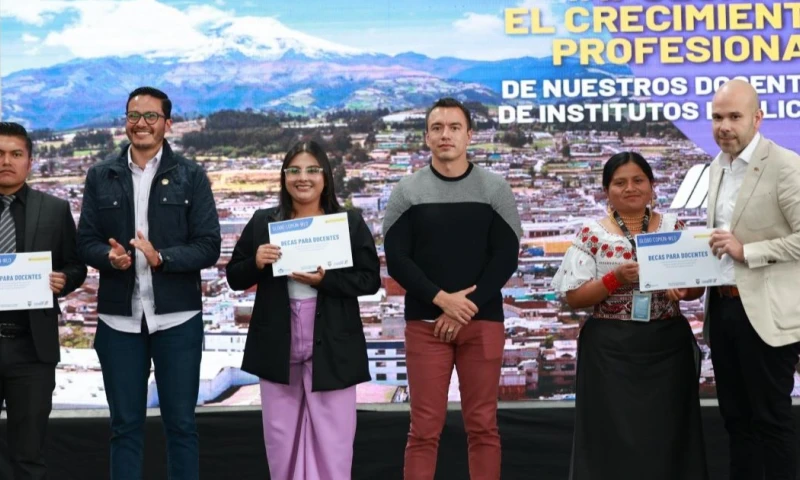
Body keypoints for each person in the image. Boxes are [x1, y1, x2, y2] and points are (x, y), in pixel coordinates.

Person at [77, 87, 220, 480]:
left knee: (182, 426)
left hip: (177, 320)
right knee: (124, 428)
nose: (141, 123)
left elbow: (209, 246)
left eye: (150, 116)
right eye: (133, 116)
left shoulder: (191, 176)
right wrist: (108, 257)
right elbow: (84, 241)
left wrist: (163, 259)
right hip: (119, 322)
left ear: (167, 124)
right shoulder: (100, 175)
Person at [383, 97, 522, 480]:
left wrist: (467, 306)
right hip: (426, 324)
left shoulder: (495, 189)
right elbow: (397, 260)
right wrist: (442, 300)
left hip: (483, 322)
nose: (446, 135)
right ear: (426, 136)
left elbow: (505, 258)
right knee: (424, 429)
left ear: (469, 135)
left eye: (454, 127)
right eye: (438, 128)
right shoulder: (406, 192)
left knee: (483, 426)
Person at [226, 140, 379, 480]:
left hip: (333, 338)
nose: (302, 178)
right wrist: (256, 262)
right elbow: (234, 276)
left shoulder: (348, 222)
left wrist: (327, 281)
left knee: (334, 438)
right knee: (280, 439)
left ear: (326, 176)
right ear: (283, 177)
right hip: (277, 337)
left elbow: (370, 280)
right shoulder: (263, 220)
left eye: (312, 170)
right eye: (294, 170)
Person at [551, 152, 708, 479]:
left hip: (666, 348)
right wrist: (615, 279)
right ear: (606, 191)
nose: (630, 188)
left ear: (652, 186)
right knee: (610, 438)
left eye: (638, 180)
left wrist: (682, 287)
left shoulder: (673, 227)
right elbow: (575, 297)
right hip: (611, 351)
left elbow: (697, 289)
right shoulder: (591, 234)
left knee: (670, 434)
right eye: (619, 183)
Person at [704, 79, 800, 480]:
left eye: (734, 117)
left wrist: (749, 252)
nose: (724, 126)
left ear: (758, 119)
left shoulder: (785, 165)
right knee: (736, 421)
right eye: (717, 117)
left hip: (766, 316)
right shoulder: (716, 167)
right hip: (724, 310)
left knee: (770, 422)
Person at [0, 122, 86, 480]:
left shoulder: (54, 209)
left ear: (30, 161)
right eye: (0, 154)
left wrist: (64, 280)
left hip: (31, 349)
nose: (6, 161)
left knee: (28, 453)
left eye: (15, 154)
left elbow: (76, 265)